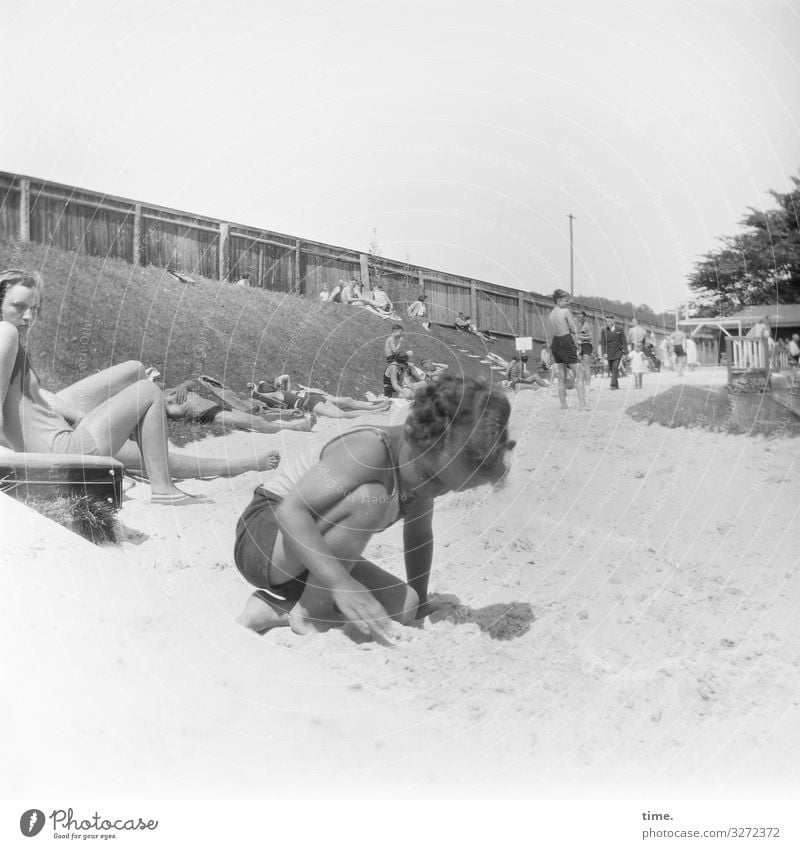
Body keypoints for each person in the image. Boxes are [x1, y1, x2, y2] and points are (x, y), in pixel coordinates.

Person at [234, 375, 516, 638]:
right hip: (265, 539)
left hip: (305, 559)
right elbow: (292, 511)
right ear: (412, 435)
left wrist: (419, 602)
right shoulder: (368, 449)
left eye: (447, 487)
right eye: (432, 477)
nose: (433, 491)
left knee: (404, 605)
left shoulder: (420, 475)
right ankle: (310, 612)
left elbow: (418, 536)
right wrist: (340, 583)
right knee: (370, 499)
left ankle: (274, 610)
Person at [0, 269, 276, 504]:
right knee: (149, 392)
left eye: (34, 309)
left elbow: (29, 395)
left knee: (135, 369)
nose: (29, 317)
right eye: (19, 307)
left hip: (51, 433)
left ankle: (145, 436)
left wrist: (80, 417)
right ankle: (166, 488)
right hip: (61, 450)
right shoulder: (6, 332)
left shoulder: (12, 339)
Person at [163, 378, 315, 433]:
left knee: (255, 418)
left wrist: (182, 385)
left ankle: (291, 424)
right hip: (208, 415)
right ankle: (297, 428)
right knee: (255, 422)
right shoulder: (158, 403)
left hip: (215, 406)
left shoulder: (168, 390)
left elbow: (191, 382)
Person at [250, 376, 391, 418]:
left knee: (342, 415)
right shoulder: (285, 393)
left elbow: (256, 395)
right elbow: (286, 377)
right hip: (314, 398)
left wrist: (255, 389)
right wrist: (274, 381)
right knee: (347, 402)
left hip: (310, 404)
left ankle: (374, 412)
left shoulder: (275, 395)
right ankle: (376, 407)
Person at [547, 289, 587, 410]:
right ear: (558, 300)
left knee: (561, 375)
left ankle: (563, 405)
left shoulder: (551, 314)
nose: (568, 302)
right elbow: (573, 330)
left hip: (556, 342)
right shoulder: (565, 311)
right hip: (566, 341)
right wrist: (575, 323)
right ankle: (582, 405)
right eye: (565, 300)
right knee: (581, 373)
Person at [600, 315, 627, 390]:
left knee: (615, 367)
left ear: (613, 321)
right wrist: (603, 353)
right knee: (612, 369)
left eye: (609, 321)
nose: (607, 323)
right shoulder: (603, 331)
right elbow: (602, 343)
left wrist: (626, 352)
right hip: (609, 353)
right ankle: (616, 385)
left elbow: (624, 341)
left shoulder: (619, 329)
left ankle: (612, 384)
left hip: (618, 352)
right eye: (606, 321)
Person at [576, 310, 593, 385]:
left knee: (586, 365)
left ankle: (588, 383)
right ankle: (582, 380)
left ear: (584, 318)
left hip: (587, 345)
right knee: (579, 364)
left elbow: (591, 337)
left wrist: (580, 337)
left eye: (580, 317)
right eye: (578, 317)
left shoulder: (587, 326)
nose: (579, 319)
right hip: (581, 346)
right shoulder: (580, 325)